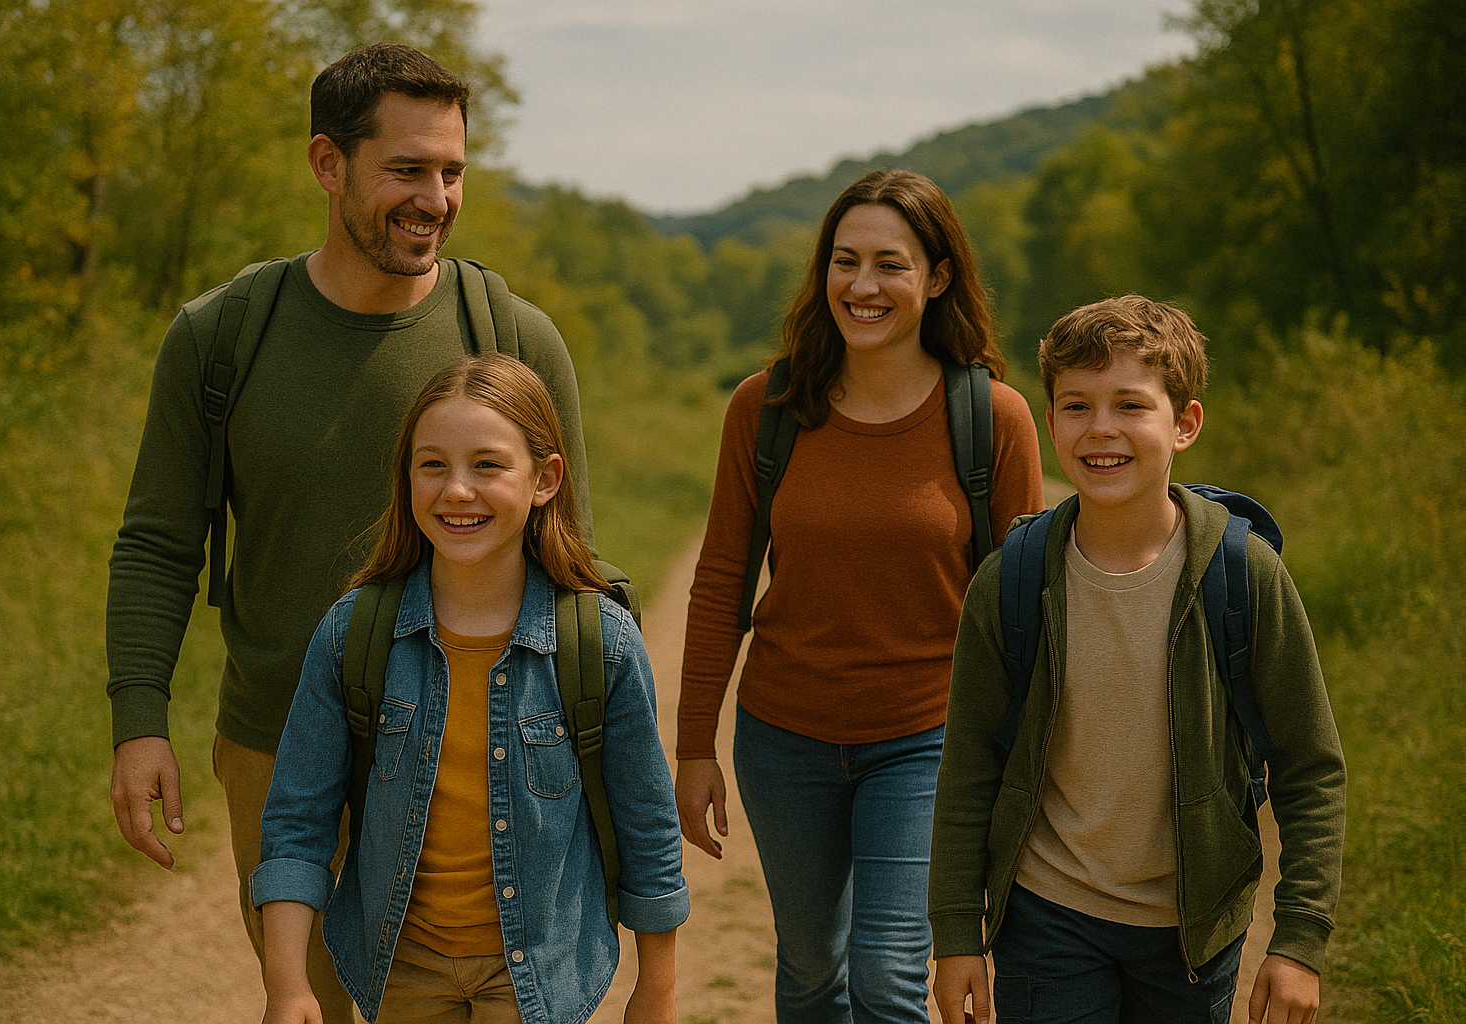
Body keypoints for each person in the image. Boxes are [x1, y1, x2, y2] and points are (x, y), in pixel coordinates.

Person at [105, 45, 595, 1023]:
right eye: (407, 169)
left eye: (452, 171)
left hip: (476, 749)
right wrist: (139, 718)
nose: (437, 197)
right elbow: (161, 542)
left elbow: (570, 564)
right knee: (310, 1005)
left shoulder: (512, 339)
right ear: (328, 164)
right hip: (280, 749)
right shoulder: (221, 337)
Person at [675, 168, 1045, 1023]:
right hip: (783, 738)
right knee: (810, 967)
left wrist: (1028, 766)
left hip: (927, 743)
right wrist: (696, 744)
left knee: (886, 977)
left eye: (890, 263)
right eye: (845, 262)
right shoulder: (764, 409)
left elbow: (1030, 614)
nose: (863, 286)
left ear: (939, 276)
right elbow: (721, 582)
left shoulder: (994, 419)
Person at [927, 296, 1346, 1024]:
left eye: (1130, 405)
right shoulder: (1012, 580)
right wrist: (956, 933)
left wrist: (1301, 938)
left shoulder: (1243, 576)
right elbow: (968, 767)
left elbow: (1311, 764)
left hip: (1195, 929)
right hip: (1047, 914)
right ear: (1051, 421)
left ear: (1183, 424)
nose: (1102, 430)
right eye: (1077, 405)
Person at [251, 354, 687, 1024]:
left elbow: (647, 829)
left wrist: (655, 992)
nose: (456, 490)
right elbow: (296, 823)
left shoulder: (599, 644)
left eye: (487, 465)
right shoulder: (353, 635)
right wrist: (287, 985)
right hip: (402, 967)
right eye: (433, 464)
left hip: (539, 970)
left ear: (545, 479)